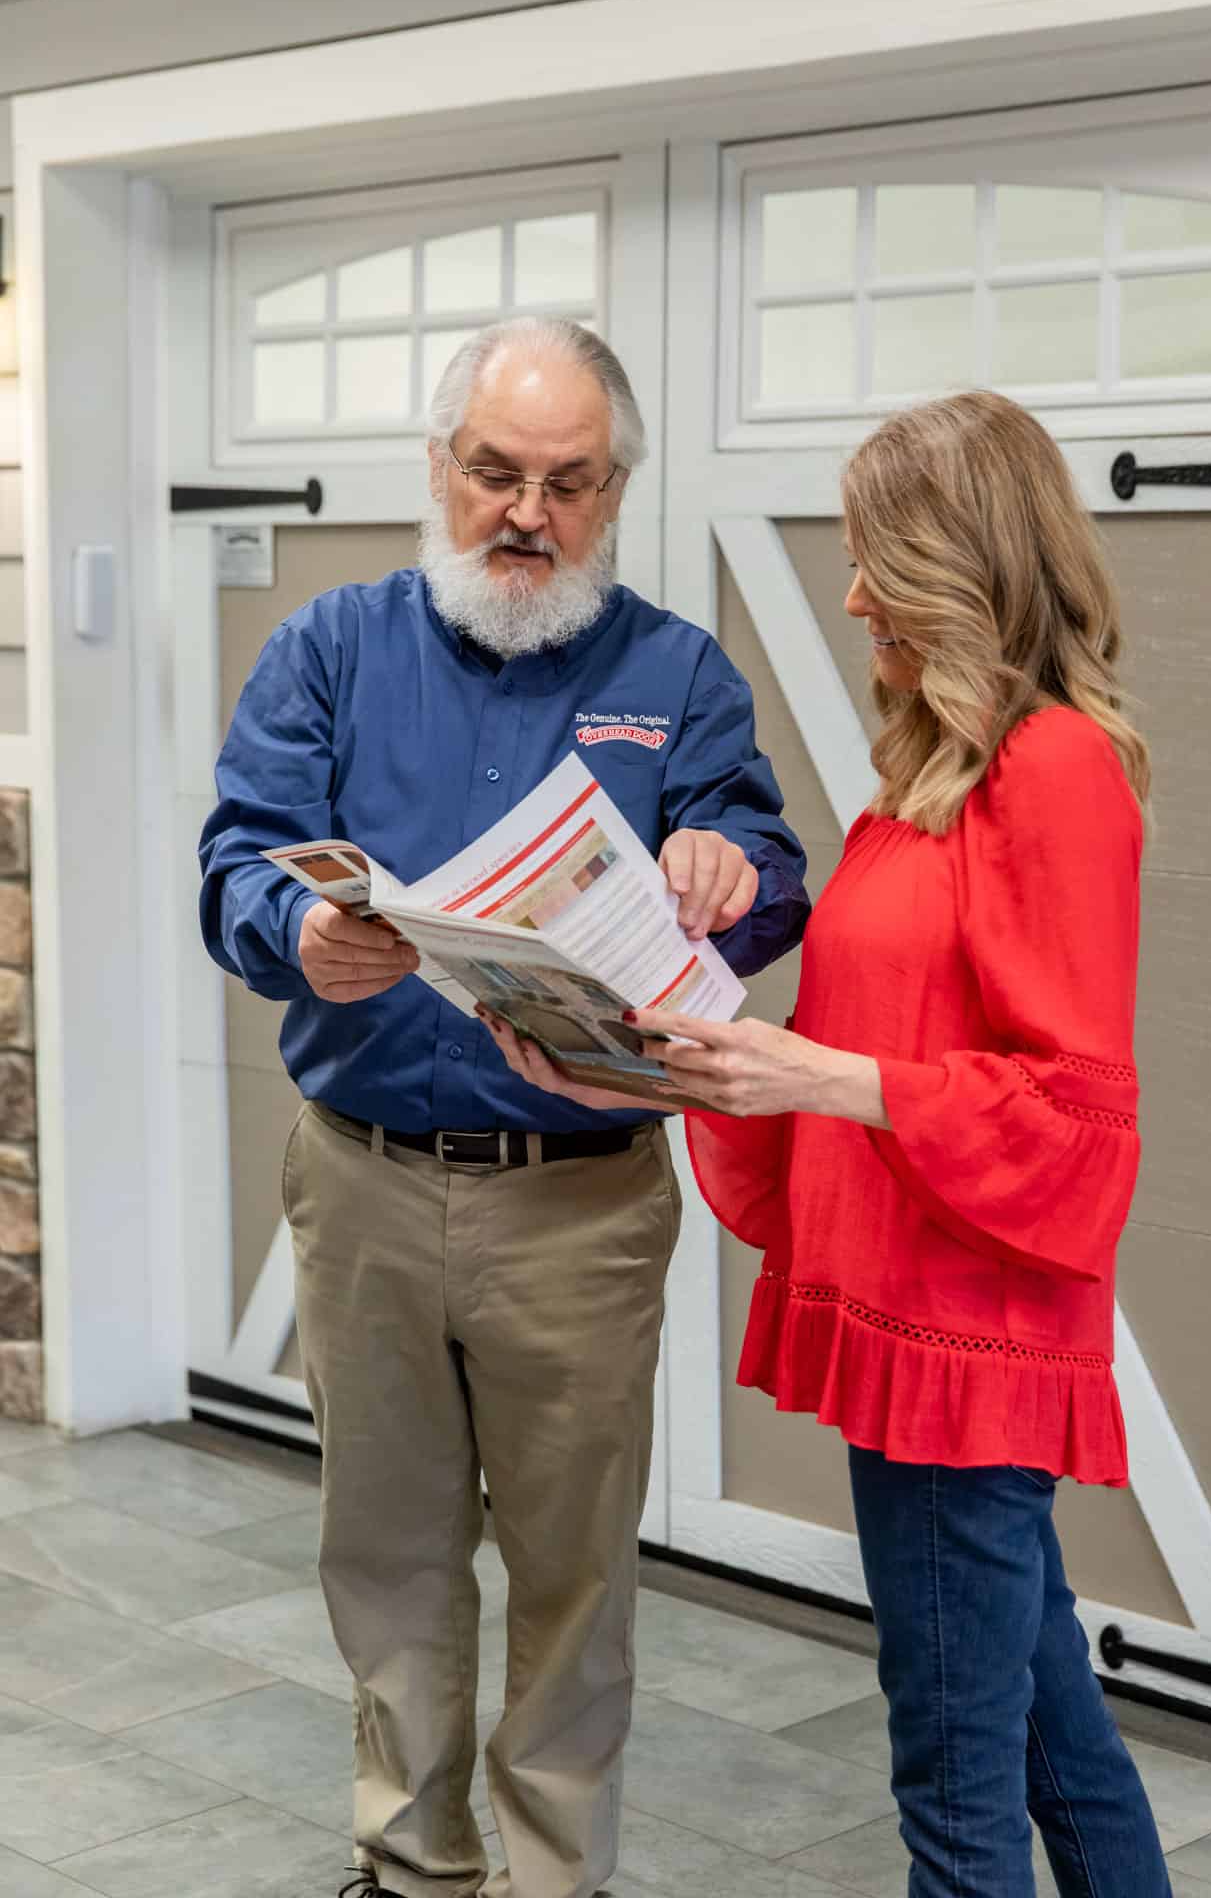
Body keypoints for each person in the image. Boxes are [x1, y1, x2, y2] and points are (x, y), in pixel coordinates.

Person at [485, 390, 1169, 1897]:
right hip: (910, 1310)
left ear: (962, 562)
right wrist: (627, 1068)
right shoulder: (931, 770)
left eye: (877, 556)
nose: (853, 591)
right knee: (1056, 1737)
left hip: (962, 1340)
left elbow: (1072, 1112)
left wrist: (827, 1075)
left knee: (955, 1786)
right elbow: (853, 1051)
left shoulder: (1052, 771)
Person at [198, 317, 808, 1898]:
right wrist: (299, 937)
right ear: (440, 468)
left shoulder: (675, 673)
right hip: (366, 1188)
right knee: (387, 1557)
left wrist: (728, 881)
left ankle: (550, 1878)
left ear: (614, 493)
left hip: (582, 1204)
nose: (526, 513)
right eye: (495, 473)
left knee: (574, 1575)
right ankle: (410, 1864)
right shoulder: (330, 650)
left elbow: (767, 872)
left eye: (568, 483)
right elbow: (240, 861)